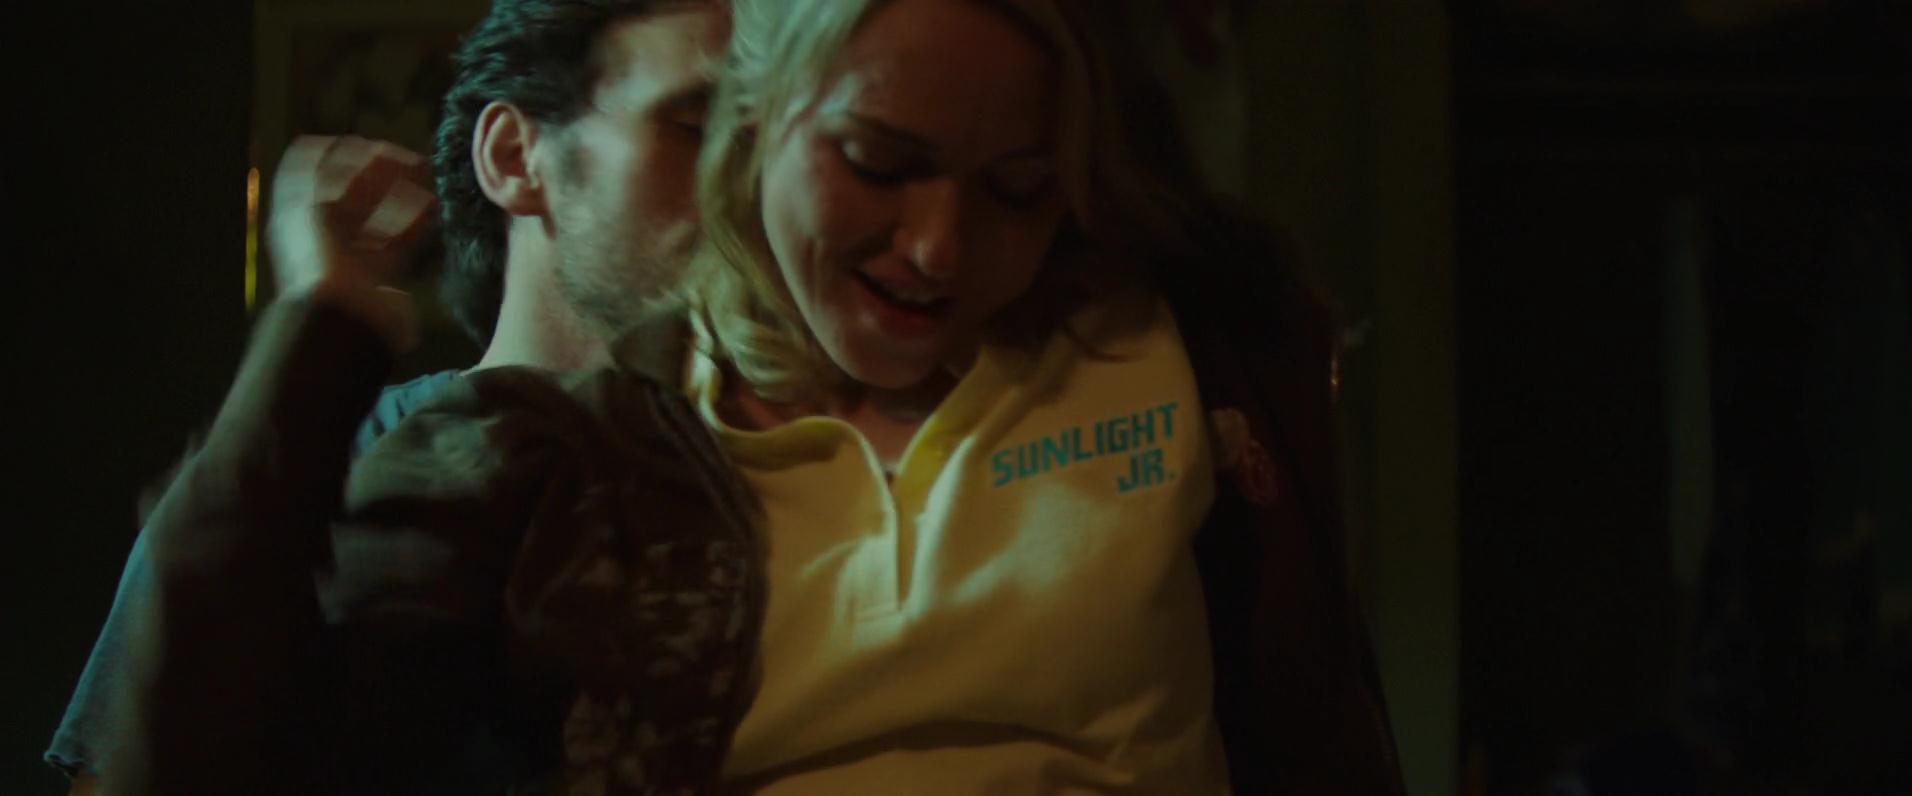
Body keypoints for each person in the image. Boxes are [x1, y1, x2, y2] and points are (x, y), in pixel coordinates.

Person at [659, 0, 1402, 791]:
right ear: (752, 114)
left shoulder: (1185, 342)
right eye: (877, 164)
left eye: (1016, 188)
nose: (939, 250)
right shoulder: (635, 422)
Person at [45, 0, 728, 792]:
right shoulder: (312, 461)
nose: (747, 185)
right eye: (696, 127)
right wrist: (324, 320)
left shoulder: (785, 469)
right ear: (515, 156)